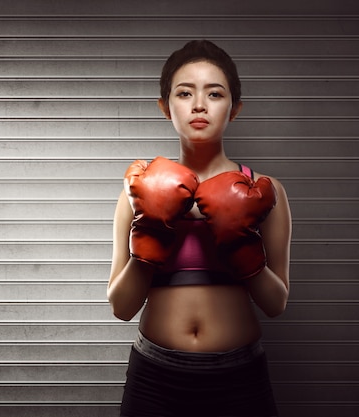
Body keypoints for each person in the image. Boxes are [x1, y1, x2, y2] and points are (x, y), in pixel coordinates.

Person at [107, 39, 292, 417]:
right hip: (154, 377)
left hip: (241, 377)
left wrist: (241, 246)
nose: (199, 105)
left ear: (234, 109)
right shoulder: (138, 188)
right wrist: (152, 234)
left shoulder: (264, 189)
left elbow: (276, 303)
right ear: (165, 106)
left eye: (215, 93)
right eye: (185, 92)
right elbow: (122, 307)